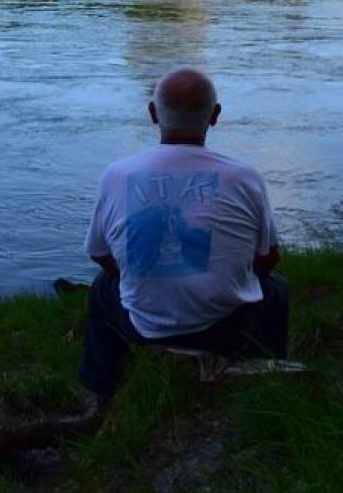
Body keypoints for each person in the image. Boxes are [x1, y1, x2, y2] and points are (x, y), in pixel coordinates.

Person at [79, 67, 288, 402]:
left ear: (152, 113)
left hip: (144, 327)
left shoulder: (116, 175)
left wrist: (141, 276)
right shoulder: (244, 178)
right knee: (276, 289)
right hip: (225, 328)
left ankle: (104, 391)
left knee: (103, 287)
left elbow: (100, 254)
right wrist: (231, 278)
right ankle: (265, 381)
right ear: (215, 116)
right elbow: (269, 258)